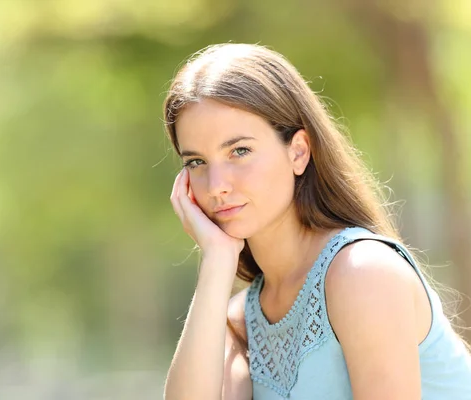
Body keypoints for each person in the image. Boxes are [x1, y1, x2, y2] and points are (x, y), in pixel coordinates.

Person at [162, 43, 471, 400]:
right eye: (196, 163)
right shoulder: (241, 320)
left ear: (298, 152)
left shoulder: (363, 273)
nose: (217, 186)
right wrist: (216, 262)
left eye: (239, 151)